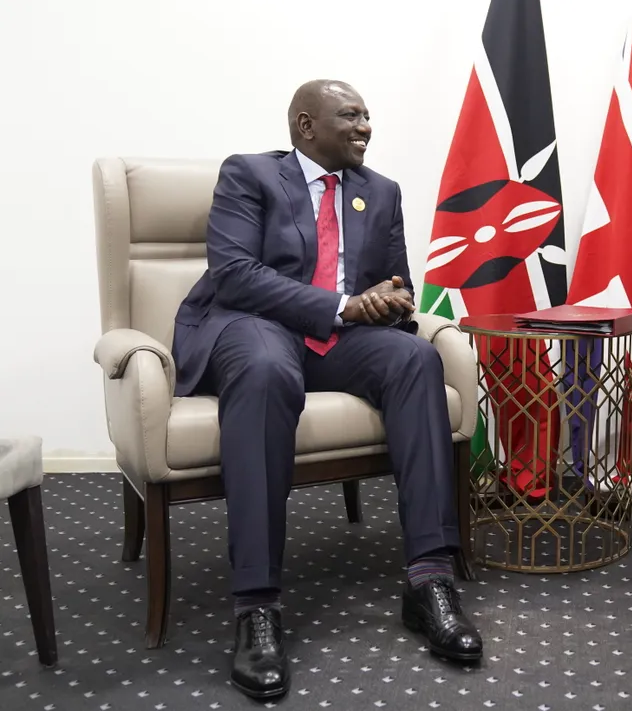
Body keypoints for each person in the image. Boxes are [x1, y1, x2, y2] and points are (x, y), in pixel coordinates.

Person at [171, 79, 482, 700]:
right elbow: (234, 275)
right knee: (265, 374)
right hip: (256, 327)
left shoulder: (381, 192)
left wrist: (393, 303)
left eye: (368, 115)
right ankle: (256, 606)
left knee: (417, 360)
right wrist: (342, 303)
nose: (365, 126)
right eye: (351, 116)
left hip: (340, 339)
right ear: (306, 126)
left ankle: (429, 580)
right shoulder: (251, 175)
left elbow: (399, 286)